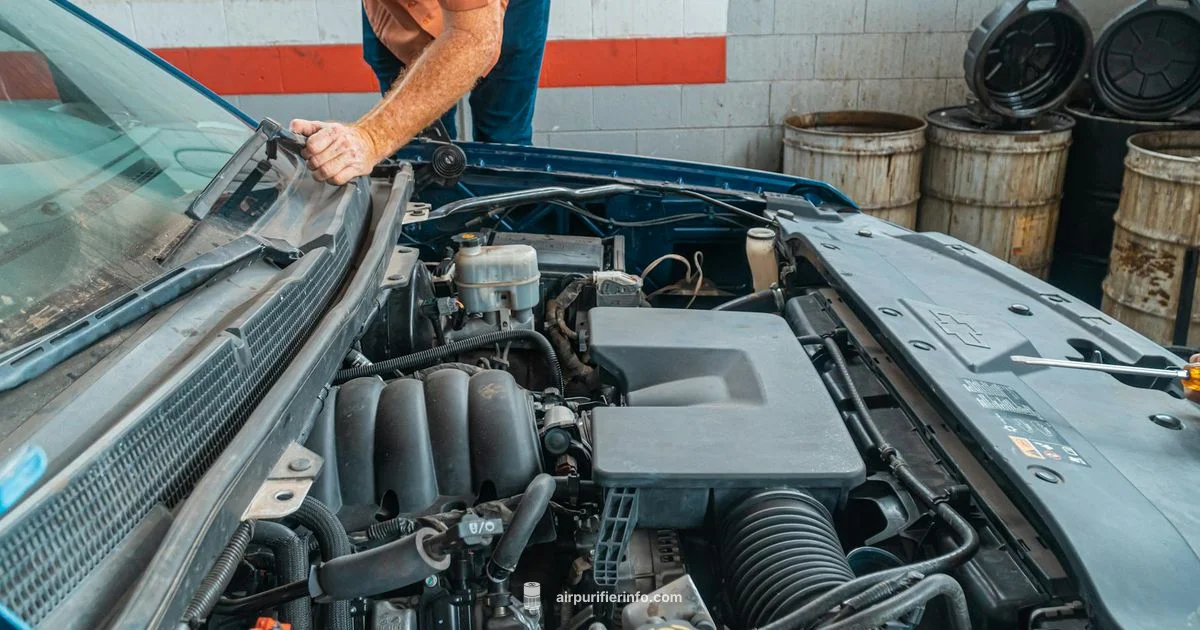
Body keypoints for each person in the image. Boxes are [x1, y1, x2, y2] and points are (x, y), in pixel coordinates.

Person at [291, 0, 549, 186]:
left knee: (504, 141)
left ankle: (507, 231)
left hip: (503, 12)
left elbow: (472, 37)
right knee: (424, 155)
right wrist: (357, 142)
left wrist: (370, 137)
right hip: (395, 12)